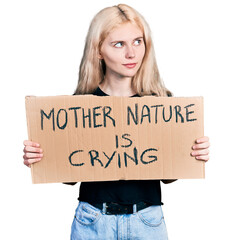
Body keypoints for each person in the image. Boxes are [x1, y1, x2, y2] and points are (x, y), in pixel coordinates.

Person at [23, 4, 210, 240]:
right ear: (99, 50)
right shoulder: (79, 106)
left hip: (147, 221)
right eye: (119, 44)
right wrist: (41, 157)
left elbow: (168, 175)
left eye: (137, 41)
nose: (132, 53)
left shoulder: (162, 104)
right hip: (92, 221)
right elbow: (69, 176)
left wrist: (191, 153)